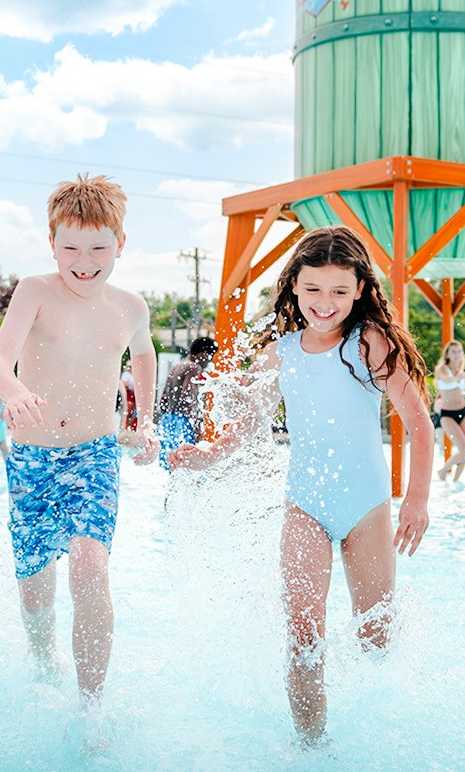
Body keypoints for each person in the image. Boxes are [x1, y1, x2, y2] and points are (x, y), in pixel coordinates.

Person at [170, 226, 435, 742]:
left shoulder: (369, 344)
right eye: (313, 289)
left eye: (339, 290)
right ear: (294, 286)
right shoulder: (279, 353)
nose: (325, 302)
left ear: (360, 289)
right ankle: (311, 746)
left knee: (374, 635)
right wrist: (206, 453)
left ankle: (377, 735)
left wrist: (417, 502)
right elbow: (247, 430)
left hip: (368, 508)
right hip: (306, 506)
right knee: (302, 634)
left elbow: (420, 425)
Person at [0, 174, 158, 702]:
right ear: (52, 244)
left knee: (88, 567)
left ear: (120, 245)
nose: (85, 261)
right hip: (33, 456)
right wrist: (13, 392)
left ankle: (91, 706)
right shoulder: (36, 291)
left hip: (95, 454)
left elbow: (144, 356)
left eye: (99, 248)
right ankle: (43, 661)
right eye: (71, 248)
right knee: (37, 595)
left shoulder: (130, 307)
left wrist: (143, 421)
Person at [157, 336, 215, 469]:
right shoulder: (194, 367)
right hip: (182, 420)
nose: (209, 361)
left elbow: (164, 396)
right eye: (210, 356)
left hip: (168, 420)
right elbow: (188, 395)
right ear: (203, 354)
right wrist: (195, 425)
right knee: (184, 463)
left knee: (169, 462)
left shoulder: (177, 366)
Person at [433, 340, 465, 483]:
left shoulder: (462, 373)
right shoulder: (442, 370)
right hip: (447, 414)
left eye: (459, 351)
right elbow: (445, 380)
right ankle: (443, 470)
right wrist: (455, 378)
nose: (457, 354)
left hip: (463, 412)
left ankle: (456, 481)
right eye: (453, 351)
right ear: (448, 354)